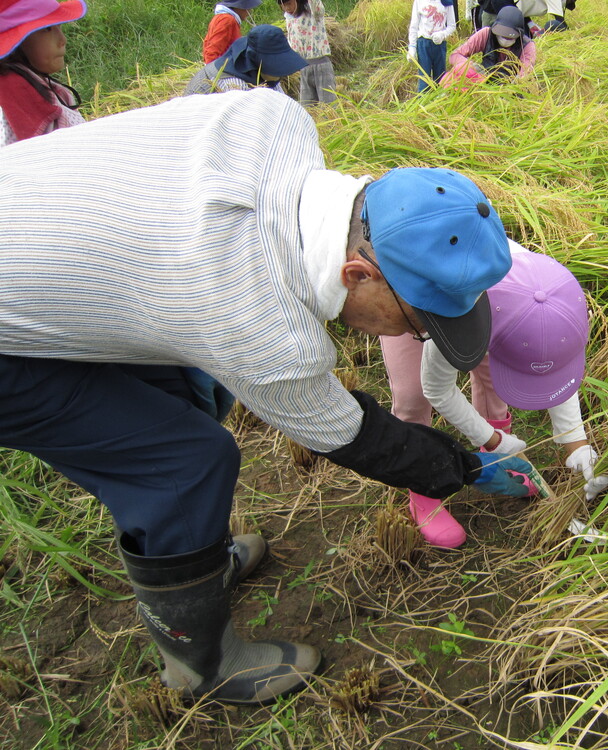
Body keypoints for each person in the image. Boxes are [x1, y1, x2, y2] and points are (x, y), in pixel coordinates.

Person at [0, 88, 538, 706]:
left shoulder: (274, 118)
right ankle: (200, 663)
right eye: (416, 323)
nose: (410, 338)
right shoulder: (257, 319)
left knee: (189, 388)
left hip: (64, 256)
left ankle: (193, 561)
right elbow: (352, 435)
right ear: (358, 275)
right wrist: (468, 466)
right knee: (184, 462)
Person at [381, 244, 608, 547]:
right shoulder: (457, 308)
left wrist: (577, 443)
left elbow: (556, 369)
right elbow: (437, 388)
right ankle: (423, 487)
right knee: (412, 396)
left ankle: (495, 461)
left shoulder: (558, 298)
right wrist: (495, 439)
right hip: (411, 292)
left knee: (492, 376)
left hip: (487, 304)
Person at [0, 0, 86, 148]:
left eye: (59, 27)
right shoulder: (14, 96)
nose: (63, 40)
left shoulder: (41, 86)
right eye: (47, 29)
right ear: (17, 42)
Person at [184, 23, 306, 96]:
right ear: (256, 61)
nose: (282, 71)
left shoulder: (264, 73)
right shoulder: (234, 86)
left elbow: (280, 99)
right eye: (277, 65)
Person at [446, 5, 535, 86]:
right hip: (483, 81)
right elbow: (455, 55)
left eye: (509, 38)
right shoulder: (486, 34)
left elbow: (526, 72)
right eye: (502, 36)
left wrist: (516, 83)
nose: (505, 40)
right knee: (457, 72)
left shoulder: (527, 45)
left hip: (510, 86)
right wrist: (470, 65)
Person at [279, 0, 337, 105]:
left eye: (289, 4)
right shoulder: (289, 18)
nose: (286, 8)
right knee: (307, 106)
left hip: (321, 66)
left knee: (329, 105)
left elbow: (315, 4)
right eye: (283, 5)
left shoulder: (313, 14)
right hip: (304, 68)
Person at [406, 0, 456, 93]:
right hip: (423, 44)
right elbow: (414, 26)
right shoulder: (419, 2)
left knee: (440, 79)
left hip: (439, 45)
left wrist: (442, 34)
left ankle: (440, 104)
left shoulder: (446, 2)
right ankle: (422, 104)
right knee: (424, 80)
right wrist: (412, 47)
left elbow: (452, 25)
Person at [202, 0, 261, 64]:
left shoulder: (225, 18)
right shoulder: (227, 20)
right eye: (247, 7)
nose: (250, 11)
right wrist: (213, 71)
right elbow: (212, 51)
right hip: (221, 68)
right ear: (238, 7)